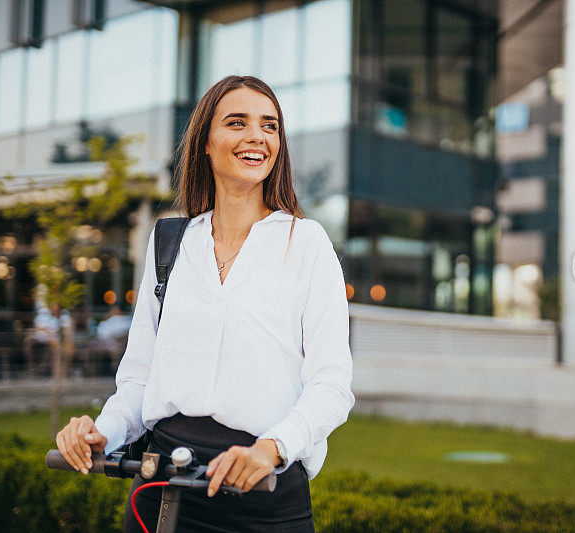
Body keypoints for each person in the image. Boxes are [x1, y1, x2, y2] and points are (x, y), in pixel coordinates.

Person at [54, 75, 355, 532]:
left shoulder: (307, 243)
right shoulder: (170, 242)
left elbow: (332, 385)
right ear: (206, 144)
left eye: (269, 126)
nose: (257, 136)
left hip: (261, 491)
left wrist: (272, 448)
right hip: (161, 487)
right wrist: (104, 432)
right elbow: (139, 378)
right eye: (238, 122)